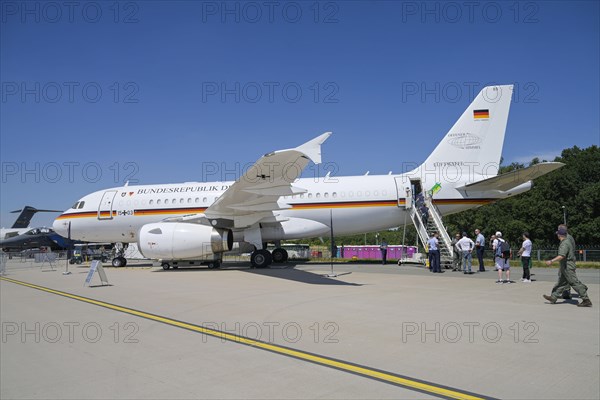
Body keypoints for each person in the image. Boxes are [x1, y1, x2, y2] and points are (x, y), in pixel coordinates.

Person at [543, 225, 592, 307]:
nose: (557, 235)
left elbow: (562, 255)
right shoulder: (566, 241)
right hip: (565, 266)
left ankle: (586, 299)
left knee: (574, 282)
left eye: (557, 233)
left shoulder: (565, 243)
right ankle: (553, 297)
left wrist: (551, 261)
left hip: (567, 266)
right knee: (561, 283)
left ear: (560, 235)